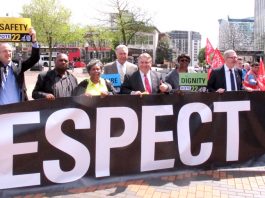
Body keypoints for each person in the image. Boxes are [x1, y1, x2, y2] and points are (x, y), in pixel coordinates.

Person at [0, 27, 40, 105]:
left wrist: (34, 40)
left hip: (18, 110)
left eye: (10, 51)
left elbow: (34, 59)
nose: (8, 53)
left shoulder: (18, 65)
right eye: (5, 51)